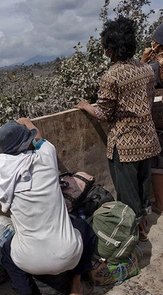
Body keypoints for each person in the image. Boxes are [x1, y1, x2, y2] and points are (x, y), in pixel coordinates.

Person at [0, 118, 96, 295]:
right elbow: (39, 137)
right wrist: (28, 123)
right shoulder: (46, 156)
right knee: (84, 228)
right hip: (68, 255)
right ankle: (76, 284)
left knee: (6, 250)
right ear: (27, 142)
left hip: (28, 261)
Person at [75, 16, 161, 242]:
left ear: (112, 50)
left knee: (127, 191)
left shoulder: (111, 76)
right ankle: (144, 221)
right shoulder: (146, 70)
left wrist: (86, 106)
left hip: (124, 144)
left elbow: (104, 113)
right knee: (143, 185)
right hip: (148, 140)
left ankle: (136, 231)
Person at [141, 23, 163, 214]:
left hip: (159, 123)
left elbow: (137, 83)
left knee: (157, 166)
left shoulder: (154, 67)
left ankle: (160, 204)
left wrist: (143, 60)